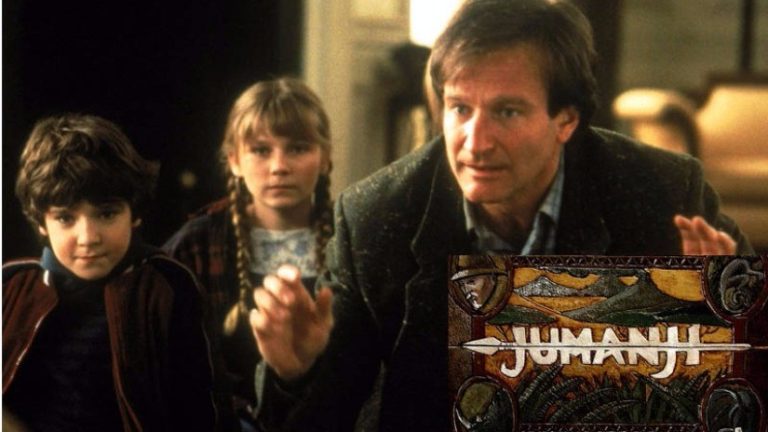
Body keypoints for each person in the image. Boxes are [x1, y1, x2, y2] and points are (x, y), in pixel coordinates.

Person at [252, 1, 754, 430]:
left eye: (507, 112)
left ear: (566, 120)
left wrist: (723, 325)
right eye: (460, 109)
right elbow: (328, 414)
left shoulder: (663, 193)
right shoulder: (377, 216)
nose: (475, 143)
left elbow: (742, 383)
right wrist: (295, 374)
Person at [3, 114, 216, 431]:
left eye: (106, 214)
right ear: (41, 223)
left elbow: (201, 411)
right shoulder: (11, 285)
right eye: (65, 218)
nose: (88, 237)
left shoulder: (168, 287)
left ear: (135, 213)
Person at [162, 77, 334, 431]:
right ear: (234, 160)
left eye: (298, 148)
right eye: (260, 150)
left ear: (325, 158)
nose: (279, 166)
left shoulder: (352, 238)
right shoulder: (197, 244)